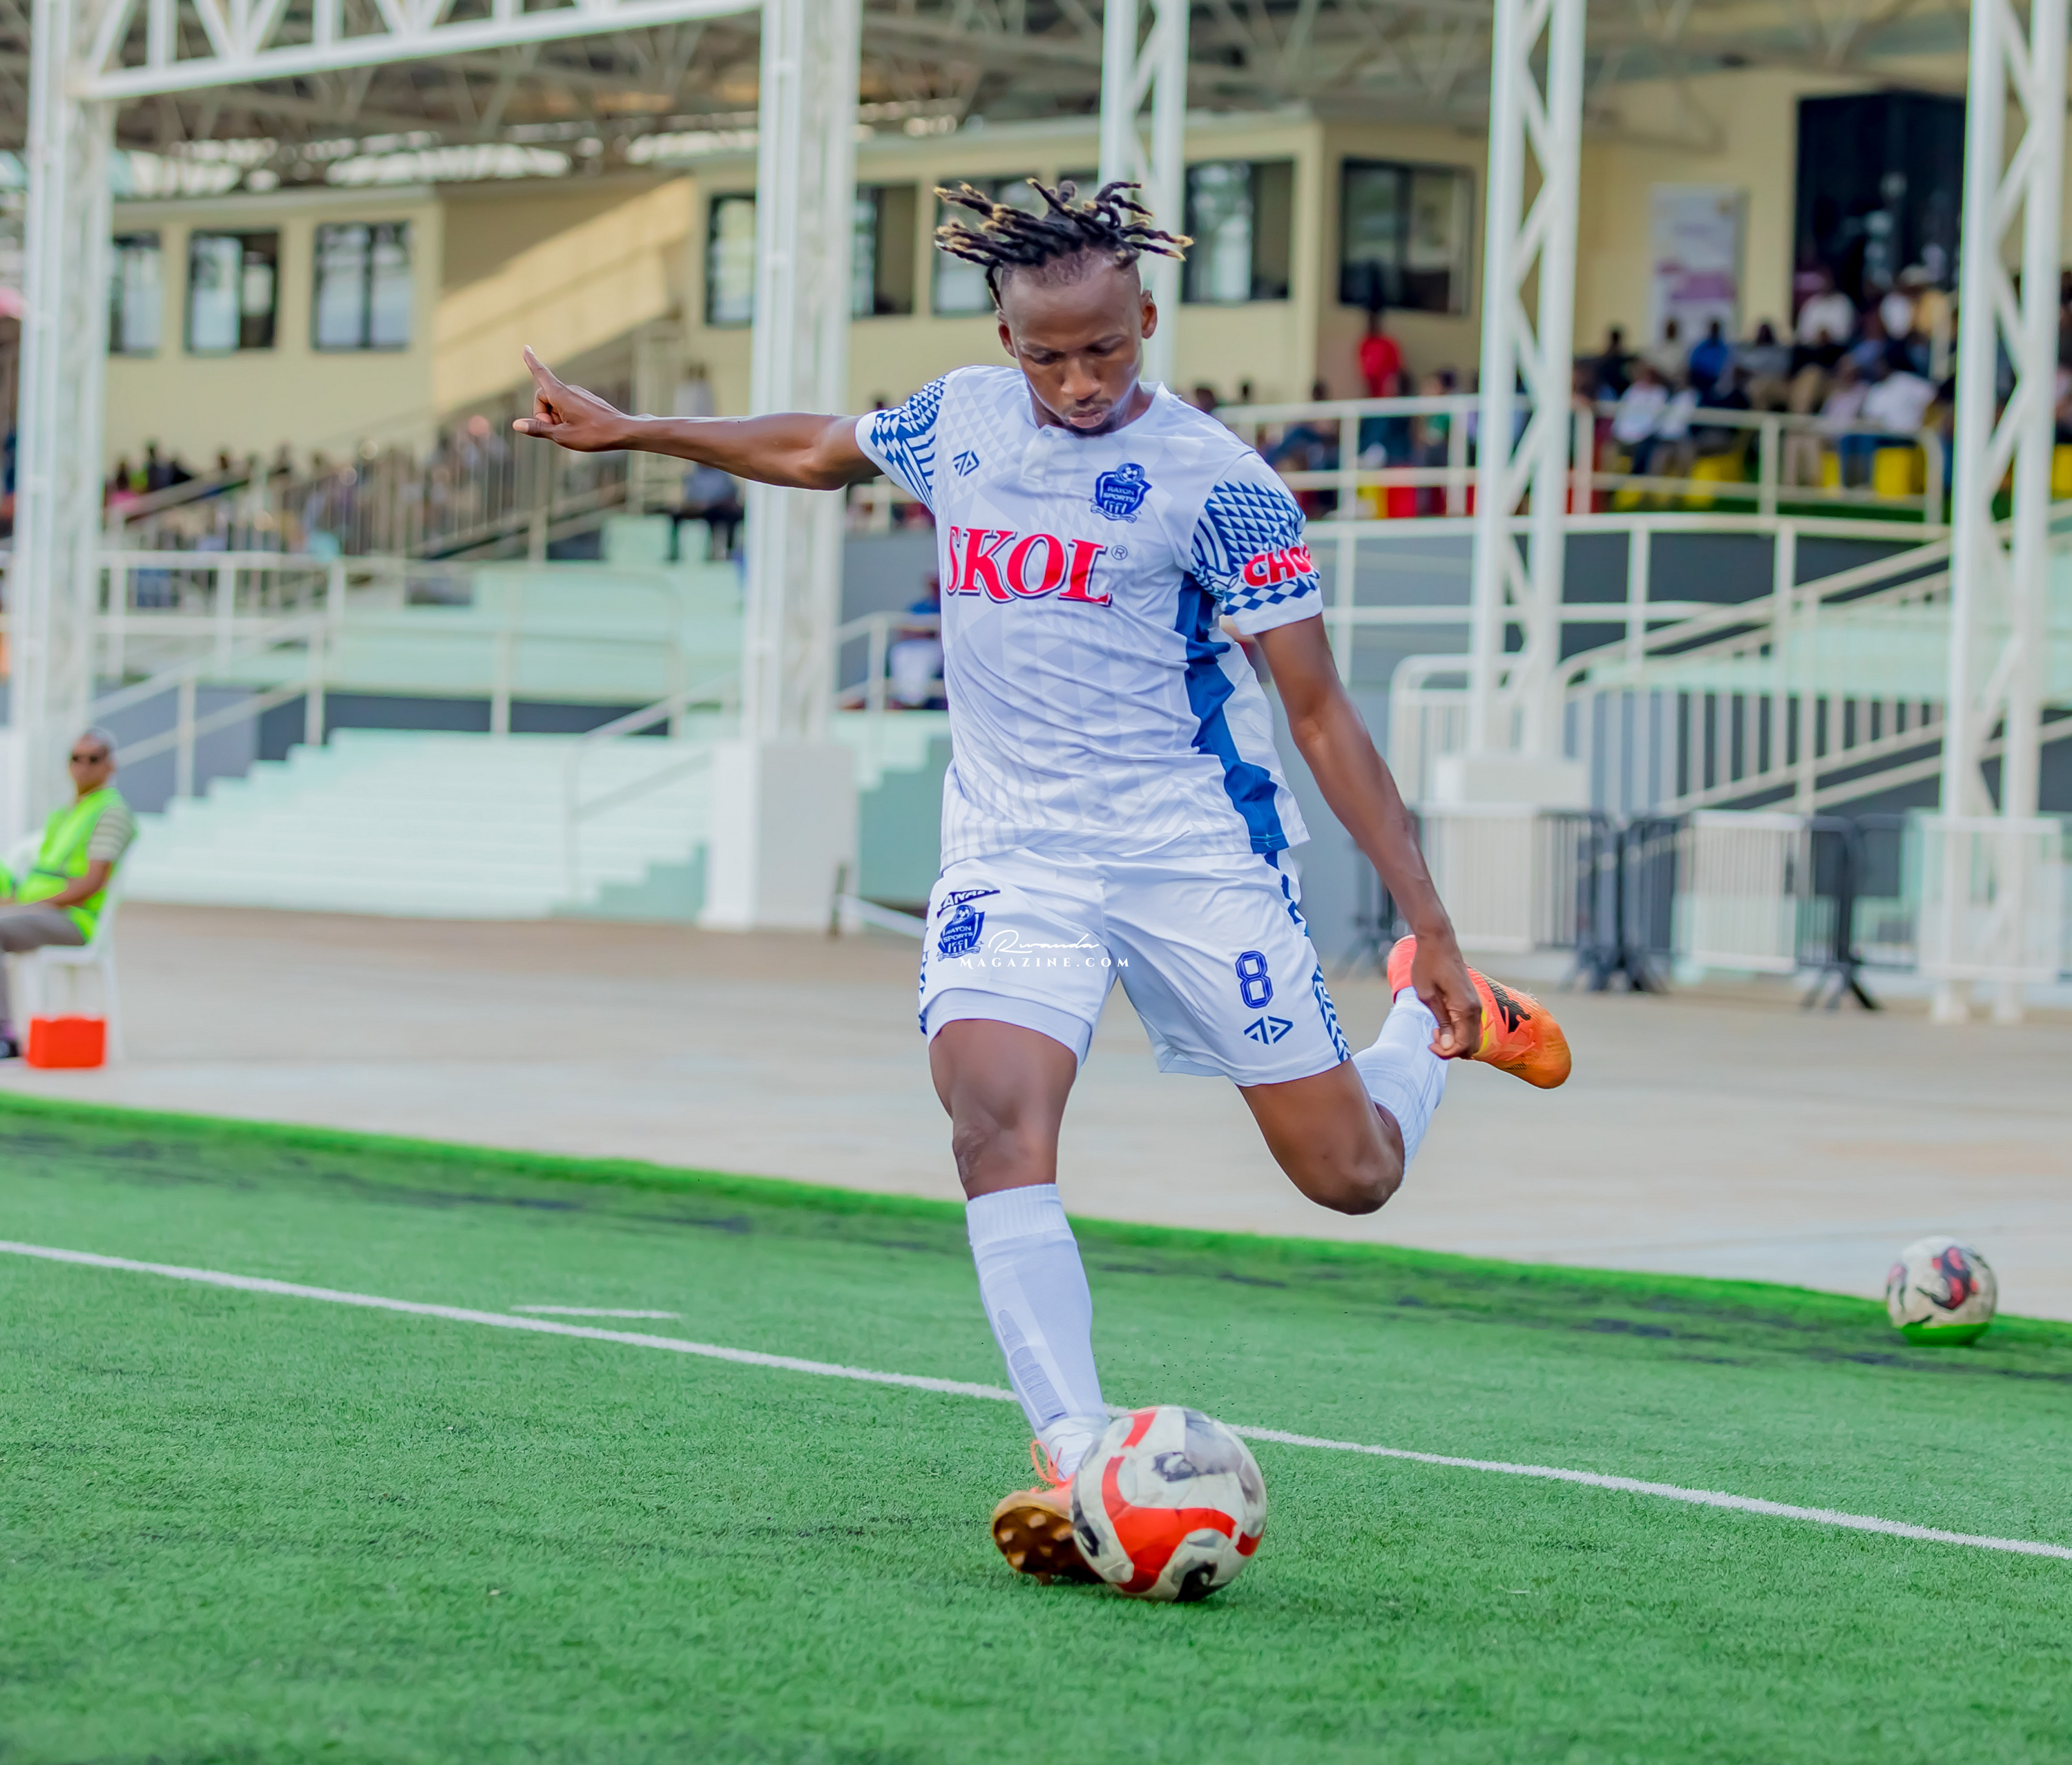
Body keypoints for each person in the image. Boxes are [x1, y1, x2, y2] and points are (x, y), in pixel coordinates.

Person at [511, 177, 1573, 1584]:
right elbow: (819, 447)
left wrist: (1429, 924)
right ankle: (1078, 1458)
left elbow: (1318, 714)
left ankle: (1433, 1037)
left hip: (1193, 852)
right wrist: (636, 429)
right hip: (1016, 854)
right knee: (993, 1121)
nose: (1078, 381)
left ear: (1149, 319)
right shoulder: (960, 420)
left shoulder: (1222, 484)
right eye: (1048, 355)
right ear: (1005, 337)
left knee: (1352, 1176)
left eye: (1106, 349)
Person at [0, 729, 135, 1059]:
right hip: (38, 911)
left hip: (75, 919)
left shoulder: (112, 813)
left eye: (94, 759)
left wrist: (32, 905)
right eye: (77, 758)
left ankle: (4, 1037)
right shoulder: (63, 814)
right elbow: (37, 873)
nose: (84, 766)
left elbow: (91, 884)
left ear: (110, 765)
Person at [887, 573, 946, 709]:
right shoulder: (919, 605)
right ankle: (903, 702)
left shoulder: (945, 605)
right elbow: (904, 629)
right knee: (899, 652)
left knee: (925, 658)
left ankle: (915, 703)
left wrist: (928, 633)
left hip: (936, 646)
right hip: (915, 645)